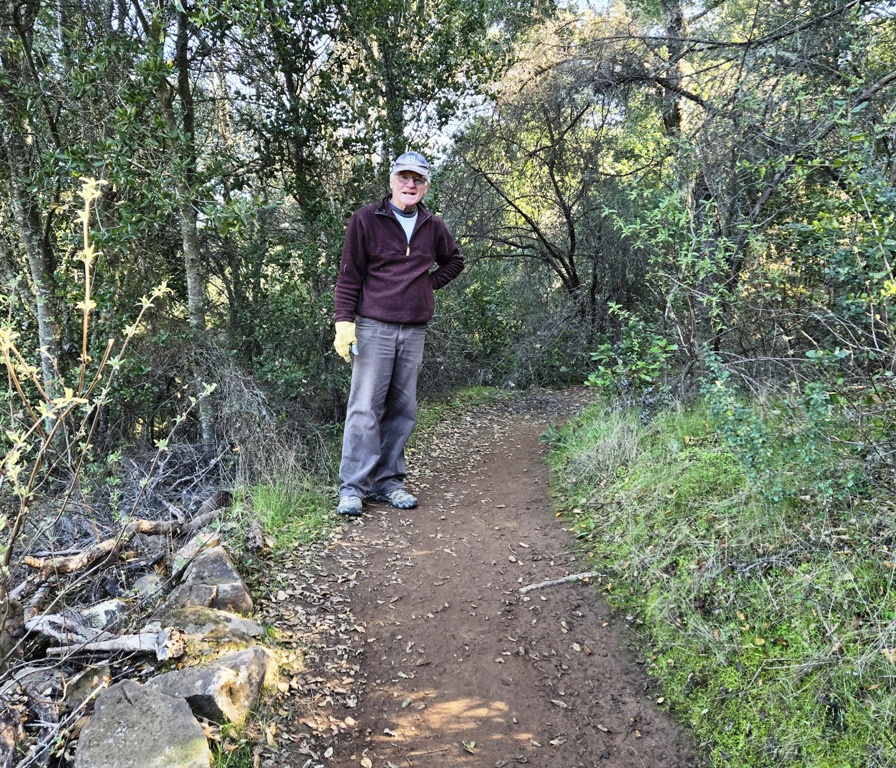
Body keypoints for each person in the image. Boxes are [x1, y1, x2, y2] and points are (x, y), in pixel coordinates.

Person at [333, 151, 465, 516]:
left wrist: (426, 285)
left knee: (402, 409)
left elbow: (455, 261)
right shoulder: (365, 220)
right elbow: (349, 275)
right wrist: (344, 322)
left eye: (418, 179)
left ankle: (388, 483)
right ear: (391, 181)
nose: (410, 184)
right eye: (404, 177)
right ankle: (353, 489)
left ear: (426, 186)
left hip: (414, 330)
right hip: (373, 327)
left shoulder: (432, 225)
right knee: (364, 408)